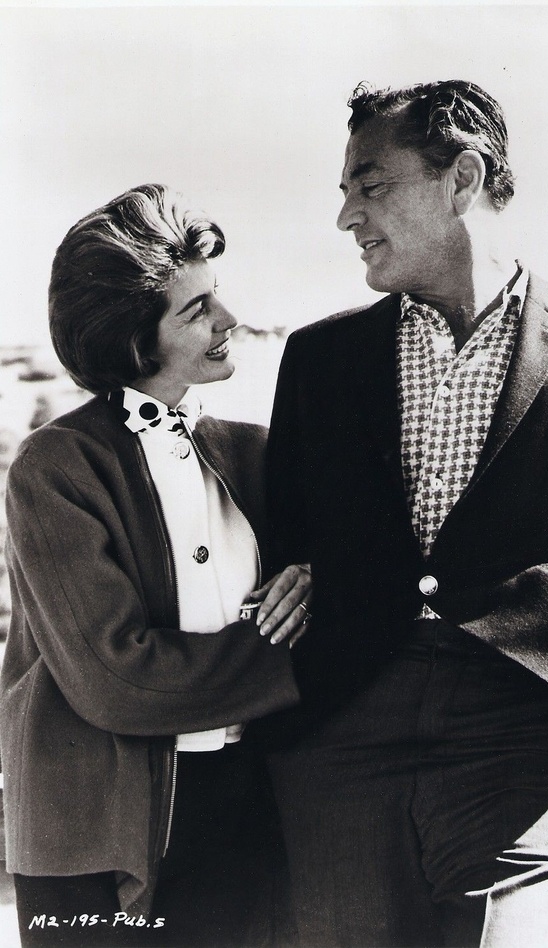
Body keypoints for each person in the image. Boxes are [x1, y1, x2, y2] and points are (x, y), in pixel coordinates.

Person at [264, 81, 548, 947]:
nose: (346, 217)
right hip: (343, 748)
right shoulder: (319, 358)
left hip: (529, 739)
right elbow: (285, 546)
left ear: (463, 179)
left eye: (371, 186)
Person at [1, 183, 312, 947]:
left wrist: (316, 583)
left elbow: (337, 577)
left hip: (241, 818)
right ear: (136, 342)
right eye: (196, 309)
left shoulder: (259, 454)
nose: (228, 319)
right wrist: (305, 657)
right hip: (91, 838)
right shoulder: (55, 467)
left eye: (217, 295)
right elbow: (117, 679)